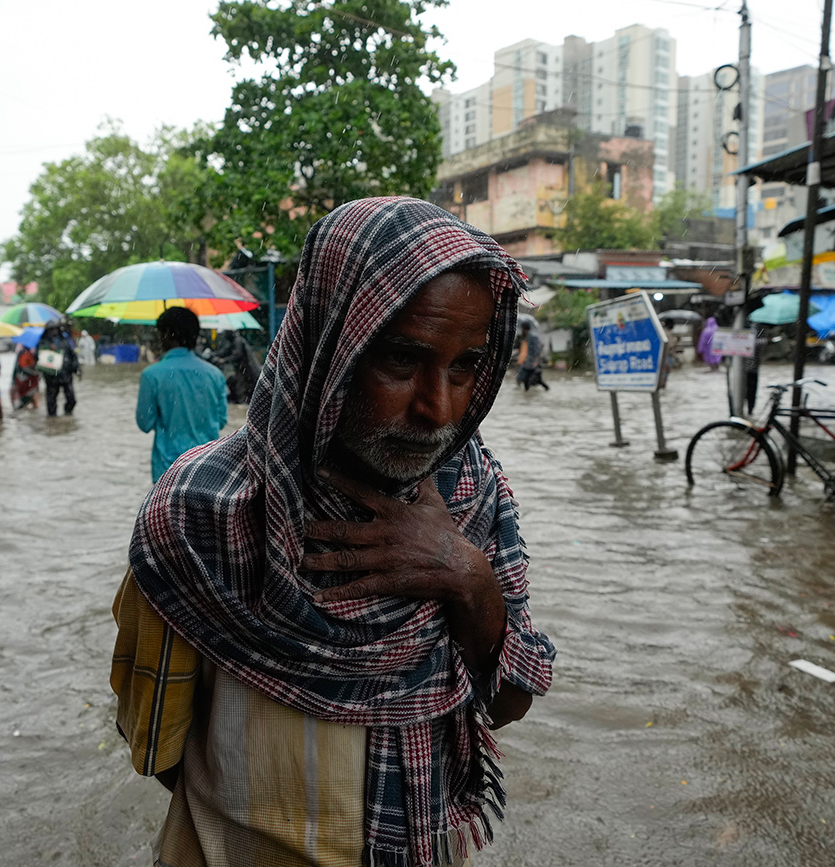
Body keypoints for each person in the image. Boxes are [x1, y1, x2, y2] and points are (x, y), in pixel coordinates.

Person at [112, 198, 555, 867]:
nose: (438, 408)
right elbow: (157, 747)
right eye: (400, 362)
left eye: (465, 367)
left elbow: (510, 701)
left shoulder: (474, 496)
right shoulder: (199, 513)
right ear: (327, 345)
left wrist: (467, 578)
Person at [134, 307, 228, 483]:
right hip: (207, 468)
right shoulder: (215, 374)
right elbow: (221, 420)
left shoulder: (151, 375)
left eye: (160, 332)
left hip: (168, 472)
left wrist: (169, 419)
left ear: (168, 333)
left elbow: (144, 423)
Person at [37, 320, 79, 416]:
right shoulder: (43, 342)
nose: (53, 331)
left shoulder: (64, 340)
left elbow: (73, 355)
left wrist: (77, 368)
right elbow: (37, 357)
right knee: (51, 402)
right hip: (51, 376)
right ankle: (52, 420)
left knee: (71, 398)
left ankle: (68, 414)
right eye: (51, 329)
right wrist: (48, 349)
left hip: (66, 375)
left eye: (55, 329)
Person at [515, 322, 549, 391]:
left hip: (532, 362)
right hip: (527, 362)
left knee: (536, 379)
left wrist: (536, 361)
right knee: (524, 378)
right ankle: (526, 391)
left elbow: (537, 349)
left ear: (524, 329)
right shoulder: (526, 336)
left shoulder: (533, 336)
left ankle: (546, 389)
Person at [10, 344, 40, 410]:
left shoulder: (32, 353)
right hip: (25, 380)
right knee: (31, 398)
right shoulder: (24, 354)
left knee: (31, 398)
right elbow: (22, 367)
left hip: (27, 380)